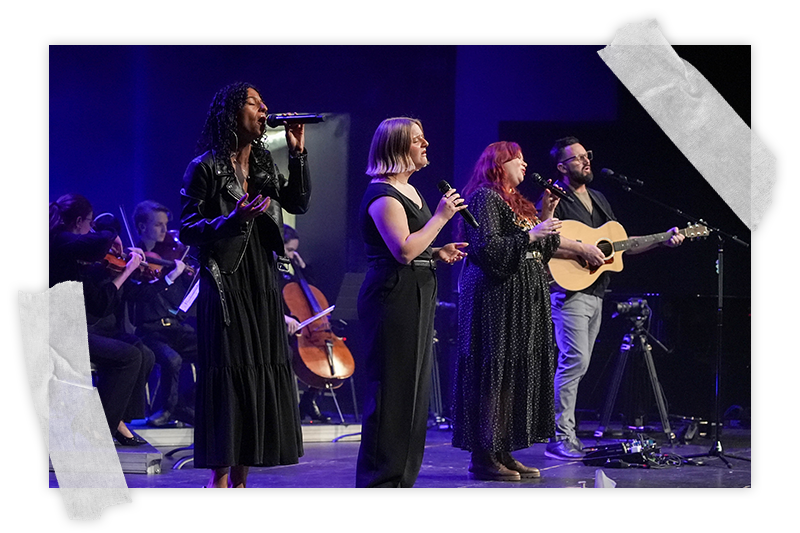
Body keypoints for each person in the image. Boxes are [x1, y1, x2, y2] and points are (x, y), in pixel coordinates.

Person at [180, 81, 310, 489]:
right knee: (229, 372)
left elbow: (298, 202)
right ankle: (219, 478)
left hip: (261, 278)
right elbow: (188, 228)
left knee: (257, 369)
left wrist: (298, 153)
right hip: (225, 281)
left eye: (263, 102)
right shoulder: (204, 167)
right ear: (232, 113)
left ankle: (241, 479)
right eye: (254, 102)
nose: (264, 107)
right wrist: (231, 220)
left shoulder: (263, 163)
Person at [451, 142, 605, 480]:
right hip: (496, 298)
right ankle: (484, 455)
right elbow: (488, 249)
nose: (523, 164)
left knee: (513, 375)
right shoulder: (485, 197)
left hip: (521, 299)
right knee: (495, 374)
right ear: (497, 164)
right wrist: (532, 235)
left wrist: (546, 216)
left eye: (523, 158)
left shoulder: (516, 201)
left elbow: (543, 250)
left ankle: (503, 450)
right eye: (516, 159)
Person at [545, 136, 684, 460]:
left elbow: (621, 244)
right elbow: (545, 239)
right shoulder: (555, 198)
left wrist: (662, 240)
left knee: (579, 364)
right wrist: (582, 249)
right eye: (577, 158)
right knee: (574, 361)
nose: (586, 161)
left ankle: (565, 434)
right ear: (562, 167)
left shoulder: (599, 199)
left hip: (596, 292)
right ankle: (559, 437)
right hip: (569, 292)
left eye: (587, 155)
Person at [356, 117, 468, 488]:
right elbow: (402, 250)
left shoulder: (409, 190)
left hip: (418, 289)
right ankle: (378, 482)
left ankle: (402, 480)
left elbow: (414, 246)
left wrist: (436, 251)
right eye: (417, 139)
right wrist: (441, 218)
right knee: (392, 391)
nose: (425, 144)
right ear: (397, 147)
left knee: (414, 392)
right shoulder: (383, 195)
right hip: (392, 294)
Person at [49, 194, 167, 446]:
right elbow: (99, 302)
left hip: (74, 328)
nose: (90, 230)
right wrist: (114, 238)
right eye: (89, 223)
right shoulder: (60, 241)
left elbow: (98, 294)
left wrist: (118, 265)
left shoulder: (69, 248)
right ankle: (98, 429)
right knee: (130, 356)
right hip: (60, 333)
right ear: (79, 221)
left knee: (142, 352)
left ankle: (116, 420)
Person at [132, 200, 198, 428]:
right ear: (142, 227)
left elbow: (182, 300)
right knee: (172, 359)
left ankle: (184, 404)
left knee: (216, 353)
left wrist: (190, 278)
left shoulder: (170, 257)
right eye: (158, 224)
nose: (165, 230)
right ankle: (168, 409)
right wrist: (170, 276)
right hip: (150, 332)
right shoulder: (135, 260)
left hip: (174, 327)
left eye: (166, 224)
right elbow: (143, 297)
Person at [280, 224, 331, 423]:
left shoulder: (290, 272)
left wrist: (302, 267)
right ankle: (289, 409)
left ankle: (308, 401)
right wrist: (284, 318)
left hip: (298, 329)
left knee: (325, 355)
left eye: (294, 251)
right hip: (281, 328)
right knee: (289, 353)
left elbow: (311, 290)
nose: (292, 255)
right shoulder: (270, 271)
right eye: (289, 250)